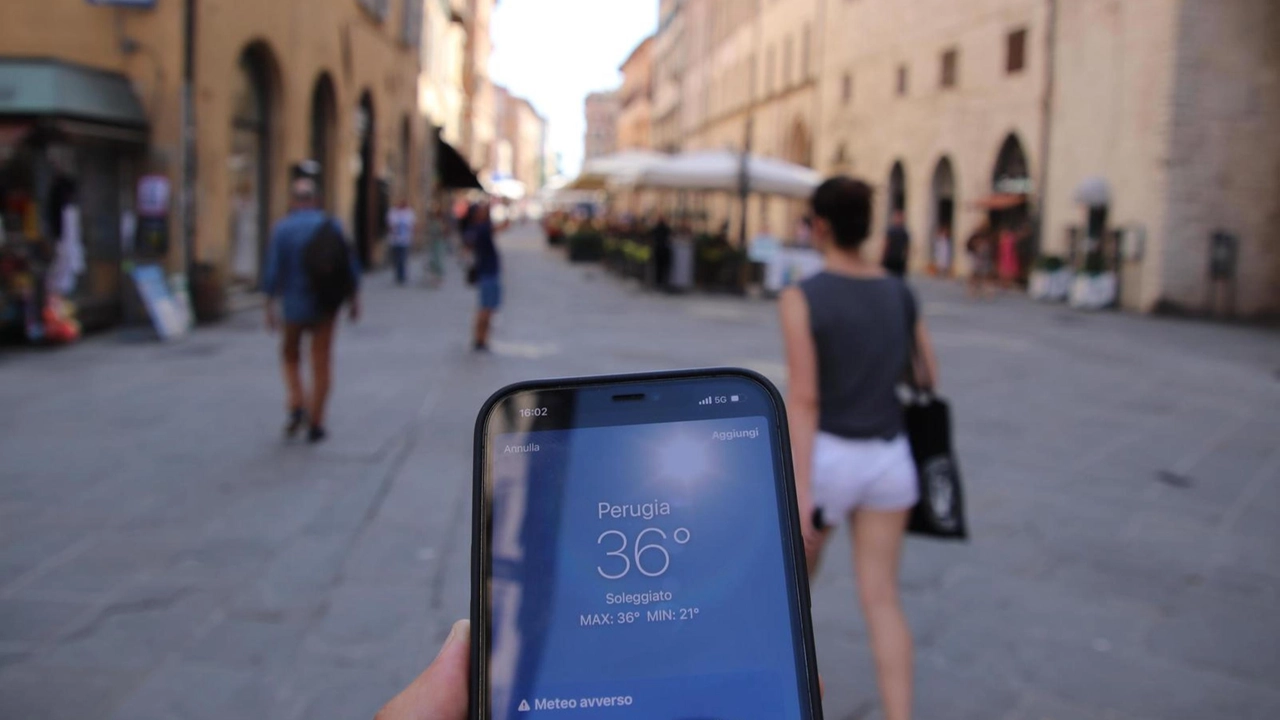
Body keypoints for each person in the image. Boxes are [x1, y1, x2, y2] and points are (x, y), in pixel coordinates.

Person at [779, 176, 938, 720]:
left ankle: (790, 699)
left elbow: (803, 399)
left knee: (791, 600)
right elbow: (926, 373)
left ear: (819, 225)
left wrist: (800, 490)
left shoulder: (802, 297)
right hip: (890, 460)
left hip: (827, 460)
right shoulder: (899, 291)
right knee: (883, 601)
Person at [263, 177, 361, 443]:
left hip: (294, 305)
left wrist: (269, 305)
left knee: (290, 355)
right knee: (321, 362)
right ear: (316, 200)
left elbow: (272, 272)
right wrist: (354, 300)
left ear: (294, 201)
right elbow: (350, 265)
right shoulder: (332, 226)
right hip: (325, 305)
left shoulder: (282, 229)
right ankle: (317, 421)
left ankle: (297, 401)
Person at [463, 202, 502, 351]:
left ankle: (481, 338)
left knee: (486, 308)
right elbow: (500, 227)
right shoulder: (481, 229)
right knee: (486, 308)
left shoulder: (474, 230)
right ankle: (481, 339)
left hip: (486, 271)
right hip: (488, 272)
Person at [387, 196, 416, 286]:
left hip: (405, 240)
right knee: (397, 259)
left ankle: (402, 276)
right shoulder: (393, 212)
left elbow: (412, 226)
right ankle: (398, 274)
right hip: (395, 240)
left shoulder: (409, 213)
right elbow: (390, 225)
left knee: (402, 258)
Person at [966, 221, 995, 298]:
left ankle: (986, 290)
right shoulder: (975, 236)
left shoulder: (988, 236)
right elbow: (969, 245)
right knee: (975, 273)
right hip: (977, 257)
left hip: (985, 257)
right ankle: (973, 289)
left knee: (986, 274)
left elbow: (992, 247)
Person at [881, 209, 910, 277]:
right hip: (895, 259)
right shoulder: (903, 232)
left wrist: (883, 257)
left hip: (894, 259)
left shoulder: (893, 231)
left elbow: (886, 244)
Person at [651, 213, 672, 290]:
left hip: (659, 249)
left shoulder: (657, 228)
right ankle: (662, 282)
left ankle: (659, 282)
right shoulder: (666, 228)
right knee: (662, 268)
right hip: (663, 250)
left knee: (659, 268)